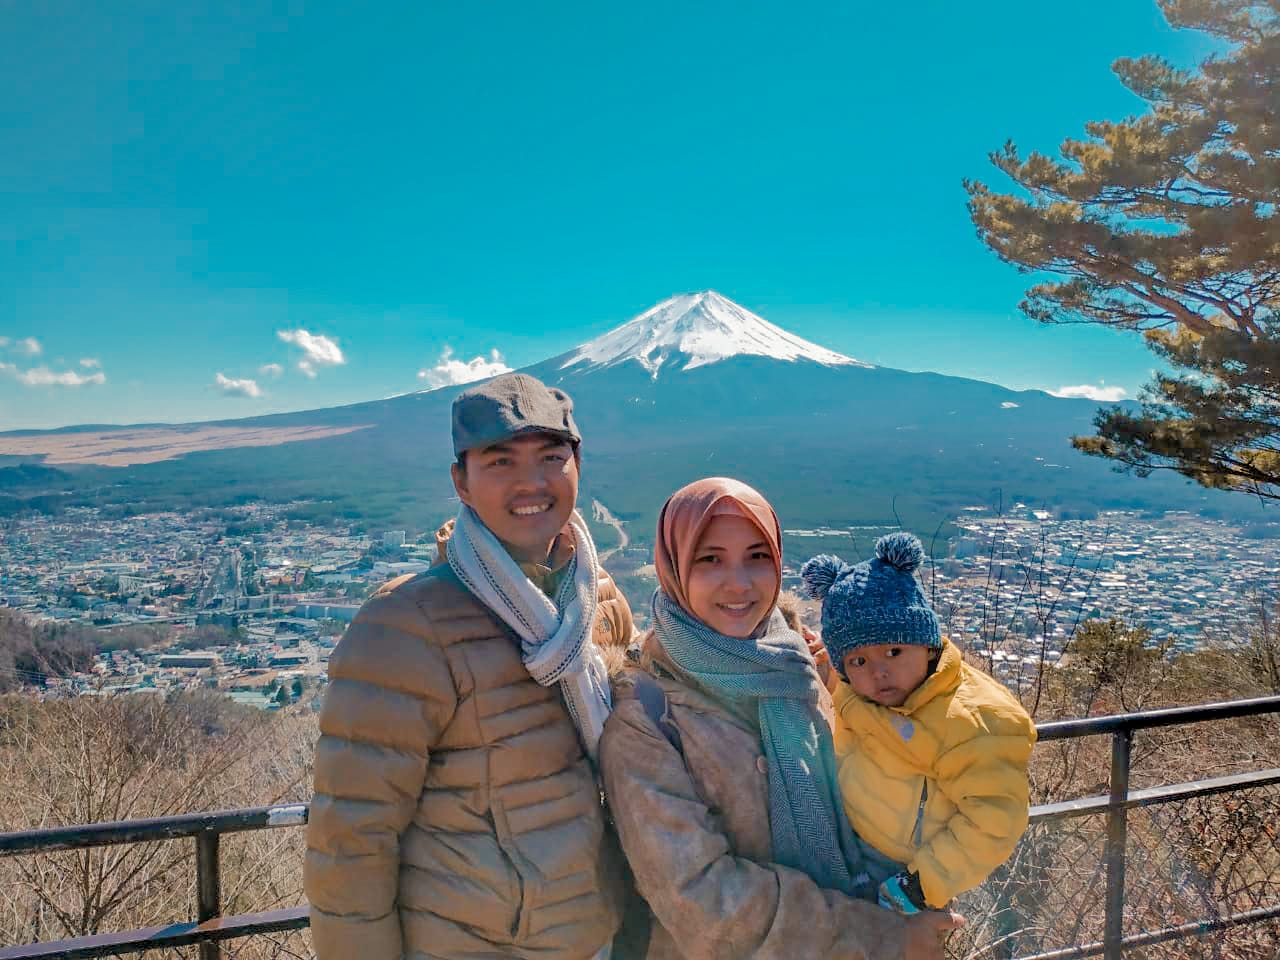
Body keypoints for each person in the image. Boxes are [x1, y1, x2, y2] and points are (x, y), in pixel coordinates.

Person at [305, 372, 635, 960]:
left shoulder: (594, 597)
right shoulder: (405, 626)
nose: (530, 482)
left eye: (551, 457)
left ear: (577, 467)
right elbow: (352, 841)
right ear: (461, 480)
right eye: (500, 461)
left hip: (598, 931)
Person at [599, 477, 962, 960]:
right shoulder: (645, 719)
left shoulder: (803, 667)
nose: (740, 582)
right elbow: (705, 902)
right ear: (674, 568)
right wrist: (881, 938)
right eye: (710, 559)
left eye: (758, 555)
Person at [801, 532, 1037, 914]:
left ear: (927, 643)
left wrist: (920, 885)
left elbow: (994, 821)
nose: (878, 672)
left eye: (893, 651)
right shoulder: (866, 691)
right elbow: (845, 693)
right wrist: (824, 658)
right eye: (858, 661)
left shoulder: (968, 720)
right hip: (851, 842)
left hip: (907, 874)